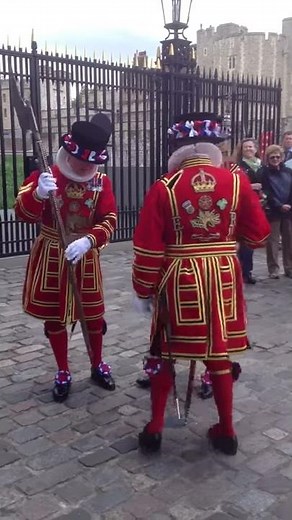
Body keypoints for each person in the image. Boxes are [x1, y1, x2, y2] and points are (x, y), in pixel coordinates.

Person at [132, 112, 270, 456]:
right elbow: (260, 235)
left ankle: (155, 427)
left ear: (176, 147)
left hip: (179, 279)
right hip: (223, 275)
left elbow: (148, 248)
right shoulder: (236, 182)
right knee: (217, 351)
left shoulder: (164, 186)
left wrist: (142, 287)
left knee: (163, 350)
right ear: (216, 146)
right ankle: (226, 430)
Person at [15, 114, 117, 402]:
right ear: (69, 155)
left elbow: (109, 218)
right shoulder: (46, 175)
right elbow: (22, 213)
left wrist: (90, 240)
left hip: (84, 255)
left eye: (91, 164)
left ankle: (97, 363)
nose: (86, 168)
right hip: (51, 252)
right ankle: (63, 370)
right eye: (81, 163)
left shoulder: (101, 181)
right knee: (55, 318)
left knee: (93, 316)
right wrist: (36, 194)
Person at [233, 138, 264, 284]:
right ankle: (240, 271)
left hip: (262, 205)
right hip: (245, 206)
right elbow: (235, 186)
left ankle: (248, 271)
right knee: (243, 240)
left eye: (251, 147)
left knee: (253, 240)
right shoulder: (238, 167)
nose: (249, 149)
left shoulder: (262, 165)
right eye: (246, 147)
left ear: (256, 149)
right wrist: (251, 187)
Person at [262, 144, 292, 279]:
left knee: (289, 240)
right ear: (268, 158)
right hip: (273, 210)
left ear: (282, 157)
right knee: (273, 241)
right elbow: (266, 192)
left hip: (289, 210)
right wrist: (279, 205)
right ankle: (273, 269)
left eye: (277, 156)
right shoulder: (264, 173)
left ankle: (289, 267)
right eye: (272, 157)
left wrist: (289, 204)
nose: (275, 159)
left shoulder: (288, 172)